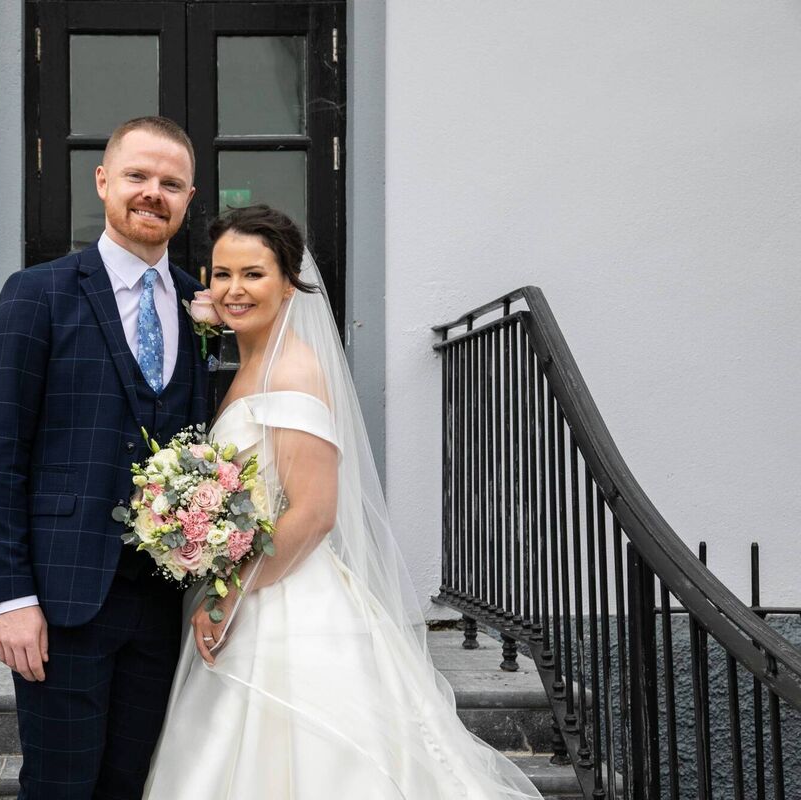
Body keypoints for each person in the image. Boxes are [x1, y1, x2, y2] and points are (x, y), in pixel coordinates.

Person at [143, 205, 544, 799]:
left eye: (253, 274)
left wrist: (228, 597)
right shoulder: (251, 361)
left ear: (288, 282)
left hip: (284, 609)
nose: (233, 289)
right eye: (221, 274)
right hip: (253, 587)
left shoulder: (295, 371)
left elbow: (313, 512)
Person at [0, 116, 209, 800]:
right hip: (62, 598)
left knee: (134, 785)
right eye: (137, 176)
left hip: (163, 605)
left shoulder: (202, 303)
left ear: (188, 199)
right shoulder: (37, 293)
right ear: (103, 181)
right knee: (59, 786)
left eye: (171, 183)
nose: (152, 193)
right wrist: (10, 597)